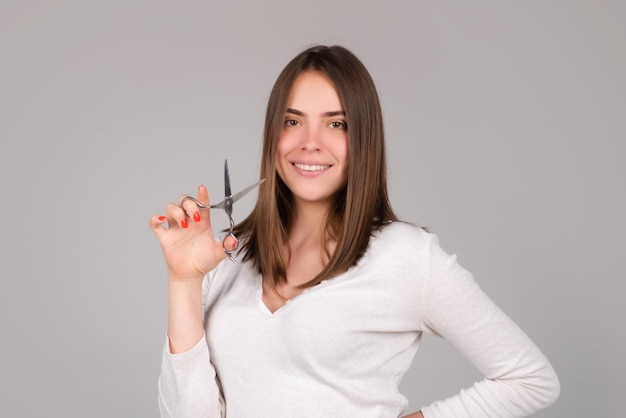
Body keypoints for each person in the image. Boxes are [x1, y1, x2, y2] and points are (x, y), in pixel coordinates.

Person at [149, 45, 560, 417]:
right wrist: (184, 281)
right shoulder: (229, 255)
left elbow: (529, 380)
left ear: (363, 138)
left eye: (336, 124)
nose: (310, 143)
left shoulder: (405, 257)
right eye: (293, 121)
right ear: (273, 134)